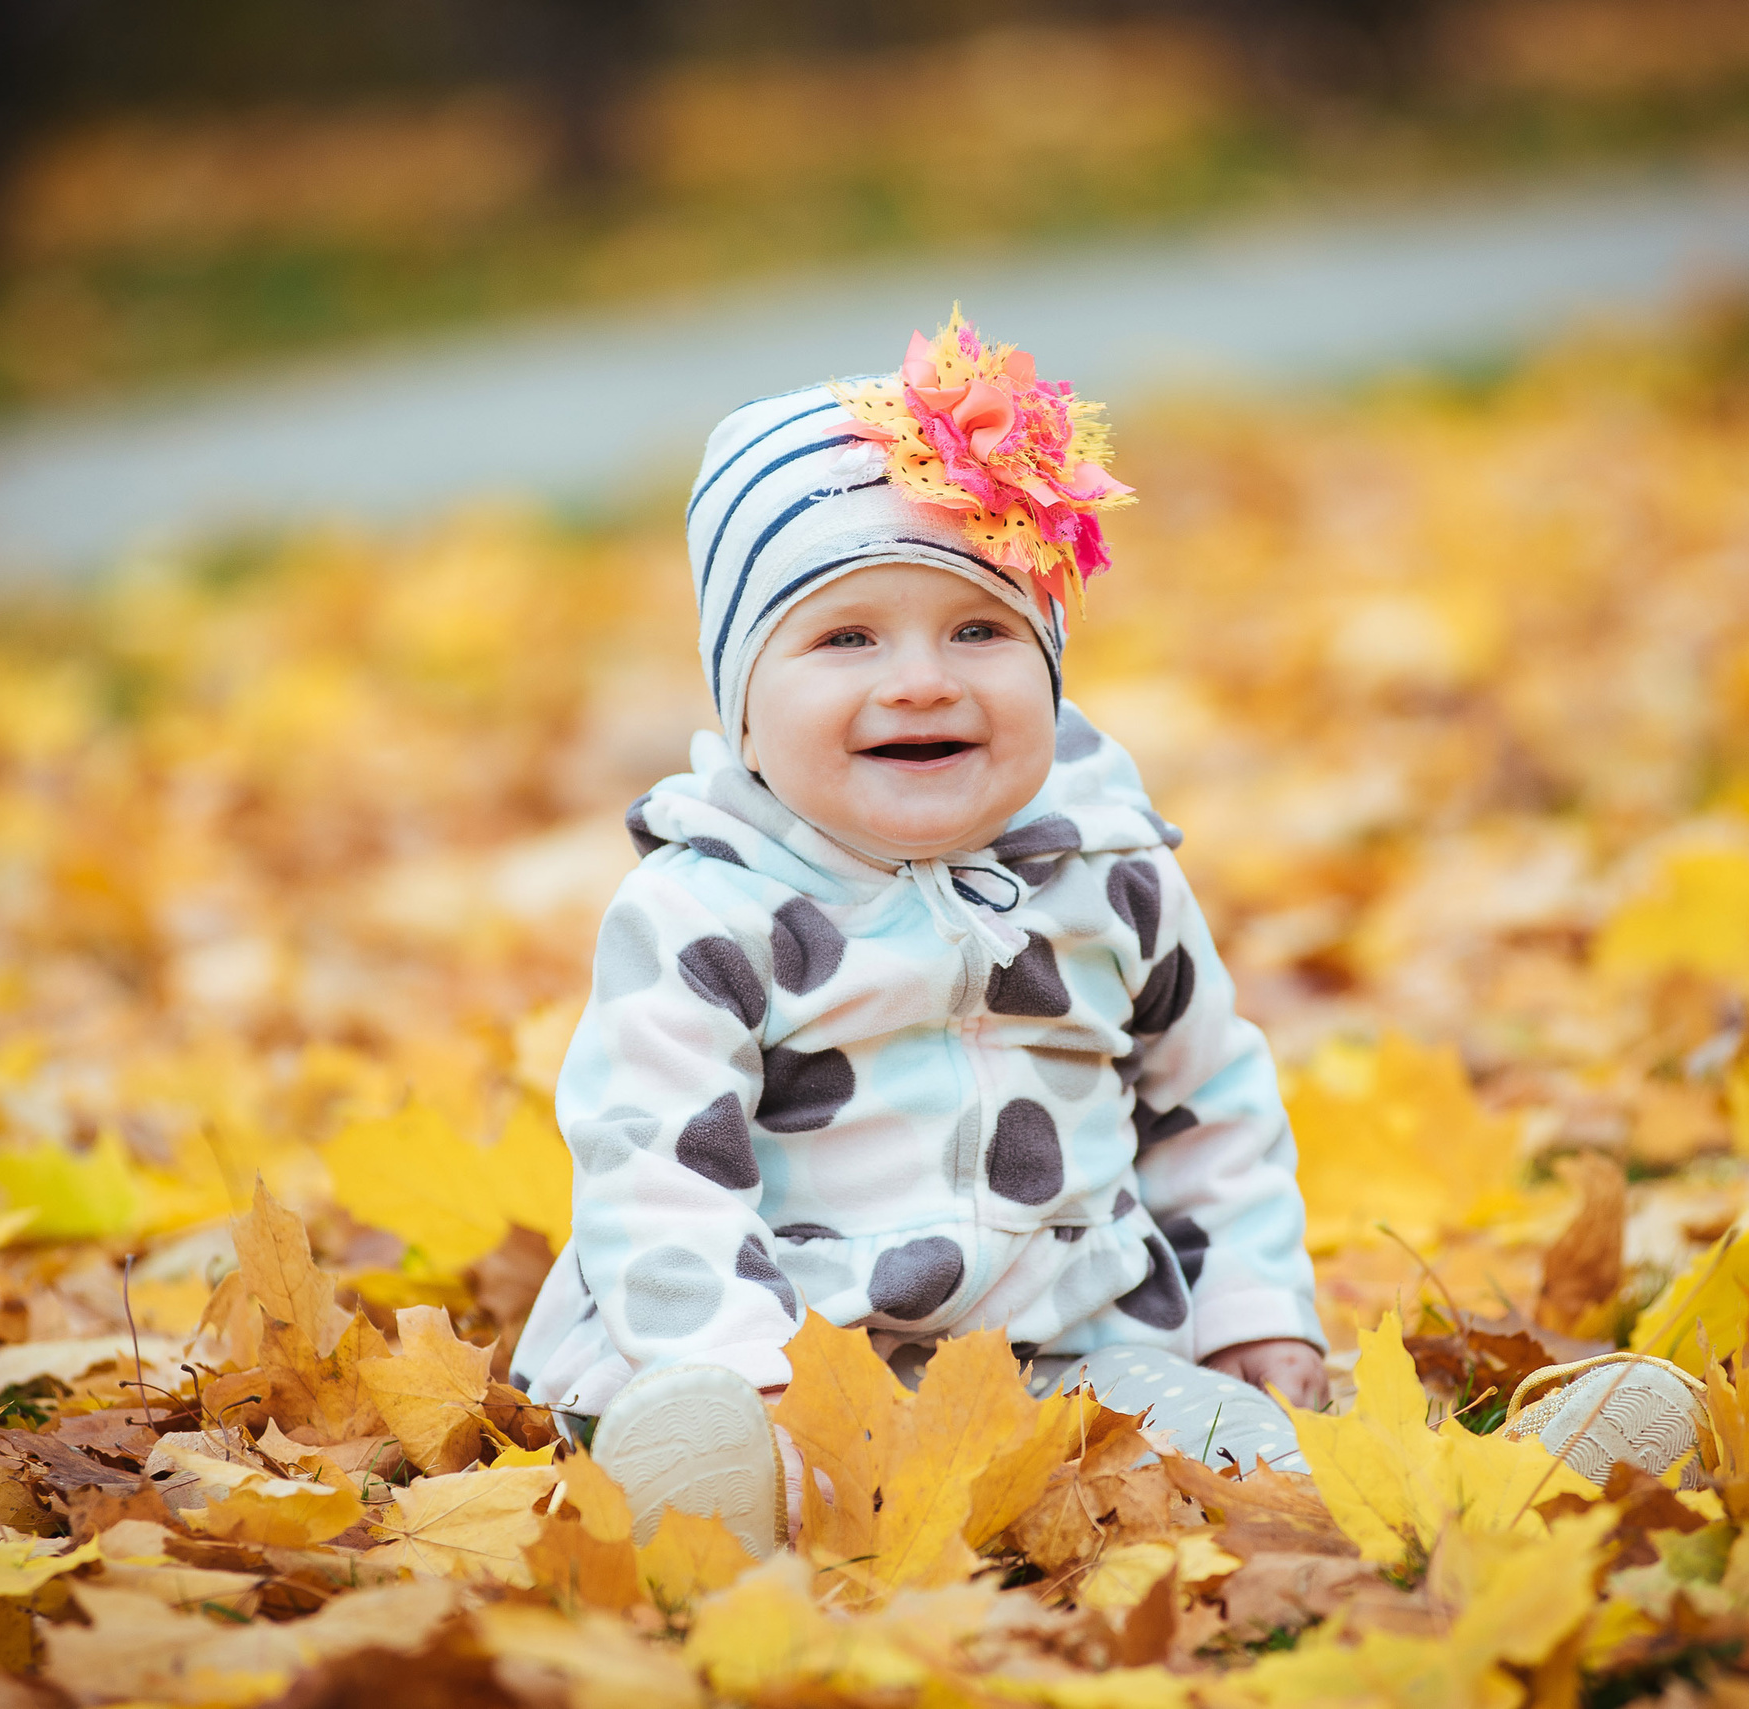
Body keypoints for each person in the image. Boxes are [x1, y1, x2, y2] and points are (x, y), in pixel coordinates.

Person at [510, 312, 1330, 1558]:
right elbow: (656, 1163)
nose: (921, 679)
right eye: (845, 637)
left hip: (1060, 1355)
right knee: (725, 1453)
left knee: (1229, 1446)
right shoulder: (708, 910)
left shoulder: (1109, 876)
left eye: (980, 629)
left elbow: (1205, 1099)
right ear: (742, 702)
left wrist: (1249, 1306)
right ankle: (721, 1487)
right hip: (780, 1353)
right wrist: (743, 1369)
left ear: (1048, 664)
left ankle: (1522, 1479)